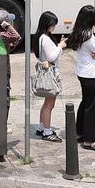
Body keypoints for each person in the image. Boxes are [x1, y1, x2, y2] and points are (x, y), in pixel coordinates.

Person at [70, 6, 95, 150]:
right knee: (94, 107)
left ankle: (79, 132)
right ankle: (89, 140)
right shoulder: (88, 35)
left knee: (86, 103)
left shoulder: (78, 32)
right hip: (92, 75)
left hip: (82, 72)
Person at [34, 11, 66, 142]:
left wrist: (59, 46)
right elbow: (51, 57)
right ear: (47, 24)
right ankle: (47, 132)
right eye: (53, 24)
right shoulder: (45, 38)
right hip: (51, 74)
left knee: (47, 103)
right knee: (49, 104)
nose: (54, 27)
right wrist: (60, 46)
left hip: (47, 71)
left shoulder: (42, 37)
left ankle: (42, 127)